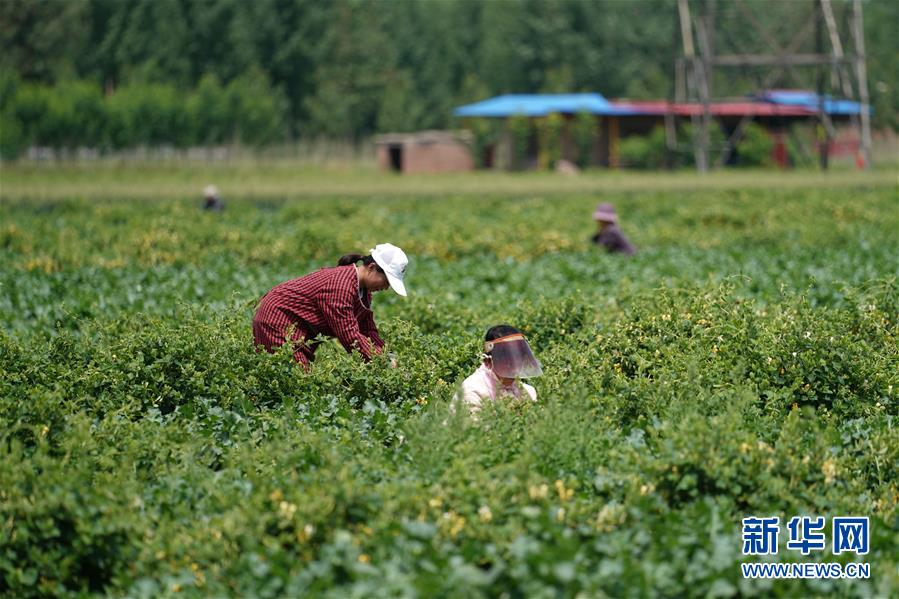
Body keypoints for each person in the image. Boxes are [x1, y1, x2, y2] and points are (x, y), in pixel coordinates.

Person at [253, 243, 408, 368]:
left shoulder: (363, 292)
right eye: (386, 281)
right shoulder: (341, 285)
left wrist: (387, 354)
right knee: (295, 380)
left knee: (300, 379)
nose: (386, 287)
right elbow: (349, 335)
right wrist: (382, 362)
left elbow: (367, 329)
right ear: (372, 268)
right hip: (277, 320)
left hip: (299, 328)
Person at [456, 325, 542, 416]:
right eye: (506, 358)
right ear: (489, 359)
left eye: (518, 358)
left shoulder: (528, 392)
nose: (515, 367)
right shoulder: (473, 391)